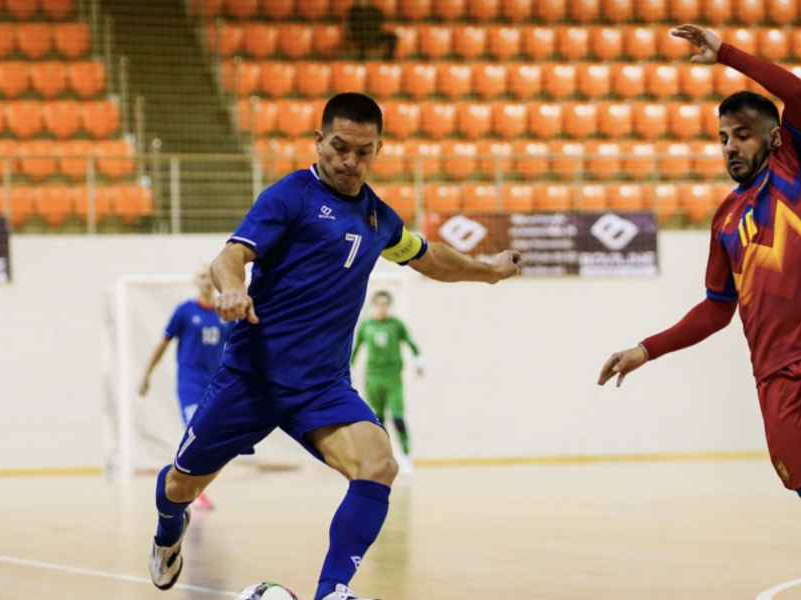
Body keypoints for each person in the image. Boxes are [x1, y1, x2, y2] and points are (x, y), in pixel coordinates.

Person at [148, 92, 521, 600]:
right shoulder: (290, 196)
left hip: (321, 387)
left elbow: (430, 258)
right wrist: (232, 287)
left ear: (378, 150)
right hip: (251, 380)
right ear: (319, 141)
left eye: (363, 152)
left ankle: (333, 591)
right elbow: (231, 255)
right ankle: (169, 532)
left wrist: (487, 272)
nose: (349, 161)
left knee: (378, 463)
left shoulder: (379, 220)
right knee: (179, 487)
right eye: (339, 147)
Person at [599, 24, 801, 572]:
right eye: (723, 137)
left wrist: (724, 53)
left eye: (742, 134)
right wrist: (646, 349)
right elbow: (716, 309)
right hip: (775, 374)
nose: (730, 146)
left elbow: (796, 93)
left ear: (772, 138)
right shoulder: (724, 219)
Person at [138, 267, 232, 510]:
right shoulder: (184, 311)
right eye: (202, 277)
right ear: (195, 282)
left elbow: (236, 348)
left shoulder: (224, 314)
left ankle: (193, 486)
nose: (206, 282)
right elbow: (163, 344)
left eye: (210, 277)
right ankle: (187, 489)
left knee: (215, 436)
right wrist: (146, 374)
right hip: (190, 384)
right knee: (195, 432)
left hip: (216, 385)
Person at [351, 290, 423, 475]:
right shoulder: (366, 326)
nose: (381, 307)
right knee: (378, 421)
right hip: (373, 378)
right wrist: (348, 370)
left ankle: (406, 458)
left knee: (398, 418)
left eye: (385, 304)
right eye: (378, 303)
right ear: (374, 305)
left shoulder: (396, 325)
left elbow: (411, 342)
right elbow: (356, 349)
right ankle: (382, 458)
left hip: (393, 379)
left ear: (388, 305)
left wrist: (418, 361)